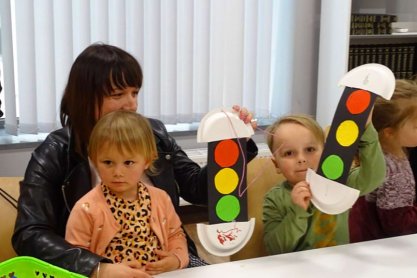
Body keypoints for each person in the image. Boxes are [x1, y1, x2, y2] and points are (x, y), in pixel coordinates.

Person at [12, 43, 258, 277]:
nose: (131, 105)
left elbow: (199, 189)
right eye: (118, 94)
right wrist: (98, 268)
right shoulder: (55, 152)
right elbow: (30, 234)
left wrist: (235, 143)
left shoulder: (154, 136)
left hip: (167, 264)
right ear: (85, 98)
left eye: (135, 93)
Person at [66, 110, 188, 276]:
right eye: (108, 162)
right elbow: (73, 257)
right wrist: (100, 271)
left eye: (128, 162)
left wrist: (176, 258)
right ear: (94, 160)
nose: (117, 172)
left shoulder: (160, 199)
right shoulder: (85, 208)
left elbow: (175, 234)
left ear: (147, 160)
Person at [262, 113, 385, 255]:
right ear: (276, 164)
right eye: (289, 153)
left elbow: (374, 177)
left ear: (325, 152)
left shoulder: (339, 183)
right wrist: (297, 212)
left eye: (310, 150)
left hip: (339, 264)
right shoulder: (274, 198)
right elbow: (275, 248)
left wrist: (367, 132)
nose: (301, 159)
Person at [349, 79, 417, 242]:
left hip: (363, 237)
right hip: (378, 247)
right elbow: (398, 224)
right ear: (389, 133)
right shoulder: (393, 170)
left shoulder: (378, 154)